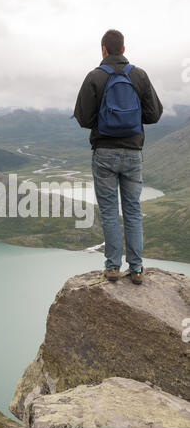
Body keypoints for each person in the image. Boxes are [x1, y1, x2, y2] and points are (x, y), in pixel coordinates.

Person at [74, 29, 163, 285]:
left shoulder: (95, 77)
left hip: (103, 153)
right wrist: (131, 119)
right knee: (133, 210)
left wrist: (106, 121)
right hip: (133, 152)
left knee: (110, 211)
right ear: (124, 49)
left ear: (103, 50)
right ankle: (136, 269)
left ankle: (112, 267)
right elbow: (154, 114)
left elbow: (83, 118)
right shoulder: (139, 75)